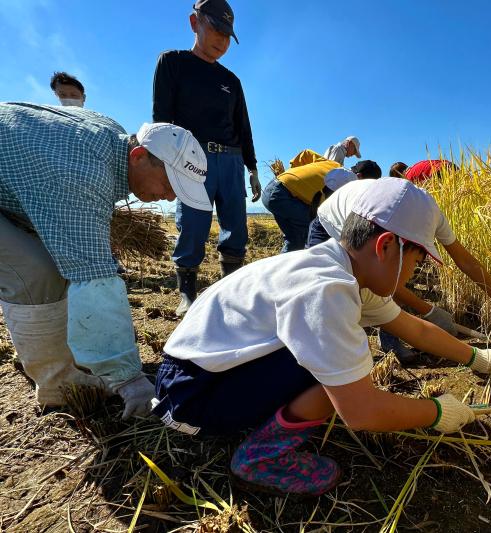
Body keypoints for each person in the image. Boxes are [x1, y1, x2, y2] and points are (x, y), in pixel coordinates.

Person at [151, 178, 491, 496]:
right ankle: (261, 457)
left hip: (198, 375)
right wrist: (437, 412)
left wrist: (476, 357)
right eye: (417, 262)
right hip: (192, 396)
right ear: (386, 246)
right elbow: (361, 411)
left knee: (340, 361)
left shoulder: (342, 267)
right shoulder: (327, 290)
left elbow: (413, 327)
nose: (413, 275)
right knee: (341, 371)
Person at [0, 103, 211, 418]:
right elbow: (94, 281)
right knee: (36, 274)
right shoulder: (81, 172)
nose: (169, 197)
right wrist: (129, 380)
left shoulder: (110, 137)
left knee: (54, 263)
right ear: (139, 157)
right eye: (168, 185)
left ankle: (44, 350)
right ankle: (59, 386)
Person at [308, 178, 491, 363]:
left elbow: (466, 261)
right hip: (332, 222)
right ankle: (369, 350)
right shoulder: (367, 217)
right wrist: (428, 310)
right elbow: (381, 281)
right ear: (385, 244)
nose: (415, 270)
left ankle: (388, 336)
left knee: (389, 282)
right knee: (356, 298)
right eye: (418, 261)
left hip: (374, 236)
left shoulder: (430, 215)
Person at [152, 0, 260, 317]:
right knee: (193, 228)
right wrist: (163, 161)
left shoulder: (232, 81)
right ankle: (187, 293)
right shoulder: (172, 62)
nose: (221, 41)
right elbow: (162, 118)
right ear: (194, 22)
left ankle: (229, 292)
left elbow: (244, 126)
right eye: (215, 30)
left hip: (230, 160)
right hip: (190, 156)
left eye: (227, 36)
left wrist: (252, 167)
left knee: (236, 229)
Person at [263, 150, 340, 252]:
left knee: (294, 238)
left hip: (273, 186)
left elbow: (306, 153)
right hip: (283, 196)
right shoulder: (347, 184)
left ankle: (284, 265)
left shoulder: (332, 164)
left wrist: (292, 174)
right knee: (307, 231)